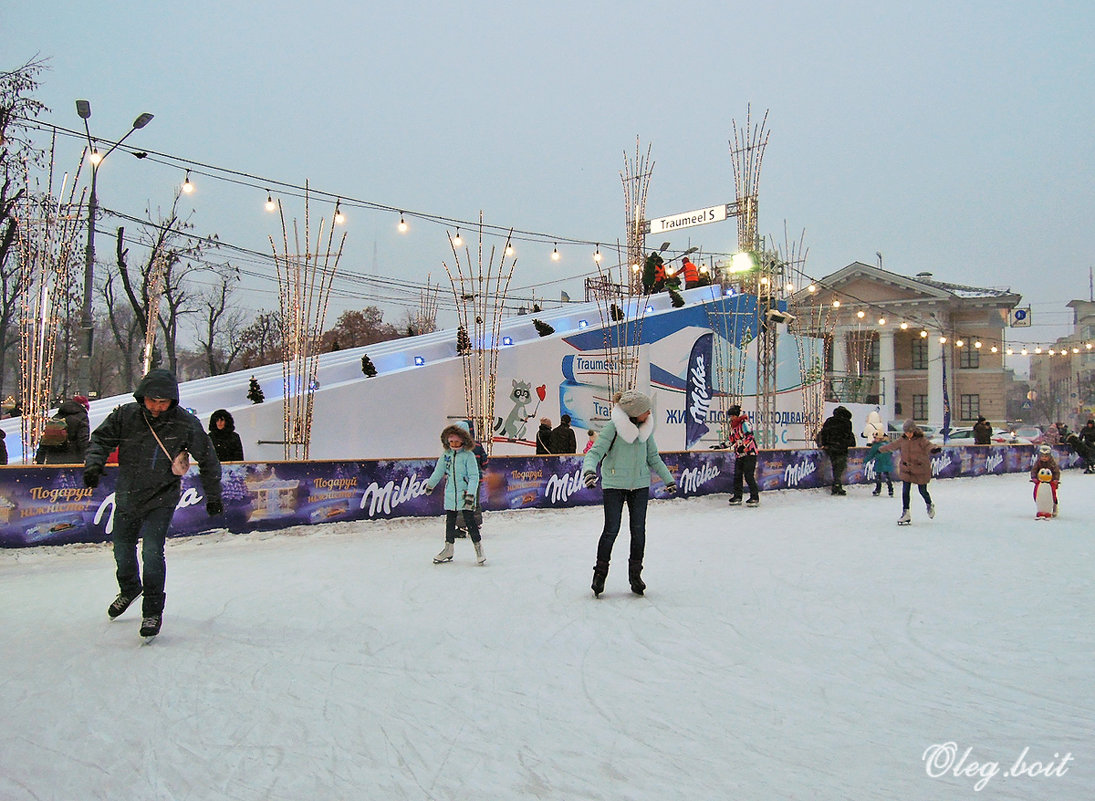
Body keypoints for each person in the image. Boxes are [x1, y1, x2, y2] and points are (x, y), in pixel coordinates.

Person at [83, 369, 223, 638]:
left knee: (151, 552)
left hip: (162, 496)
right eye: (152, 401)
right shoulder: (126, 415)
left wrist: (214, 495)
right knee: (122, 550)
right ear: (142, 397)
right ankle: (130, 588)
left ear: (173, 400)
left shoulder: (185, 423)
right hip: (128, 493)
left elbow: (207, 458)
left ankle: (152, 611)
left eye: (163, 402)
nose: (157, 407)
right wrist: (93, 464)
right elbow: (100, 439)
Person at [582, 390, 677, 597]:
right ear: (635, 412)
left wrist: (668, 479)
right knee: (611, 530)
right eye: (646, 410)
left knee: (638, 531)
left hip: (640, 486)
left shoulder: (645, 430)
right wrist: (589, 471)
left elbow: (653, 458)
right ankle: (599, 575)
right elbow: (594, 452)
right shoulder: (613, 428)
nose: (649, 413)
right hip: (614, 485)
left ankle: (635, 576)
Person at [425, 423, 485, 565]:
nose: (453, 444)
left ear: (463, 440)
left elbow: (474, 476)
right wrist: (430, 484)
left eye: (456, 441)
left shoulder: (468, 456)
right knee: (450, 522)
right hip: (451, 494)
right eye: (451, 441)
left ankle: (479, 549)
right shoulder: (446, 456)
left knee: (470, 521)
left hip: (465, 494)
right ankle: (448, 548)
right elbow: (439, 471)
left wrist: (471, 494)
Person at [880, 419, 942, 525]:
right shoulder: (902, 440)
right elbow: (892, 446)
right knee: (905, 491)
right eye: (906, 432)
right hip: (906, 469)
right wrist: (880, 449)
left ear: (913, 431)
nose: (907, 434)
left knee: (922, 491)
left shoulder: (921, 440)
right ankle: (906, 513)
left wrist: (934, 449)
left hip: (920, 469)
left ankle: (929, 504)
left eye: (909, 432)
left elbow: (929, 446)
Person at [34, 395, 91, 465]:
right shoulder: (82, 417)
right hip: (73, 460)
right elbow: (83, 441)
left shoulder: (56, 417)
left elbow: (45, 440)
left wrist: (39, 460)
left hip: (53, 459)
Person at [725, 403, 760, 506]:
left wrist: (743, 446)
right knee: (737, 475)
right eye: (730, 416)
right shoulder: (734, 427)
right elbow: (731, 440)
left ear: (737, 415)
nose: (731, 418)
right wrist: (720, 446)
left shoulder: (745, 424)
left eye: (732, 416)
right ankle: (737, 496)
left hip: (750, 453)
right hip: (739, 455)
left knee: (748, 475)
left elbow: (750, 437)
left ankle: (754, 497)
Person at [817, 406, 855, 495]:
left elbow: (824, 433)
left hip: (831, 447)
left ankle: (837, 485)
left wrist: (825, 444)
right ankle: (837, 485)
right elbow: (848, 435)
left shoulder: (830, 421)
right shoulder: (847, 422)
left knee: (835, 466)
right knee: (840, 467)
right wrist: (848, 443)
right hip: (842, 447)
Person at [1030, 444, 1061, 516]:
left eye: (1046, 456)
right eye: (1042, 456)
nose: (1044, 458)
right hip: (1040, 482)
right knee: (1036, 493)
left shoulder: (1052, 463)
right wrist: (1034, 478)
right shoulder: (1038, 463)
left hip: (1050, 482)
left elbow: (1056, 471)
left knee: (1052, 494)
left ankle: (1054, 505)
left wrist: (1055, 479)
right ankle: (1040, 506)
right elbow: (1034, 470)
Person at [863, 430, 895, 497]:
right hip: (884, 463)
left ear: (880, 438)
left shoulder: (876, 446)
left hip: (882, 463)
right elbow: (891, 452)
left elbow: (871, 455)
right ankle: (887, 490)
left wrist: (865, 460)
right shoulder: (886, 444)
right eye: (874, 438)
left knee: (882, 477)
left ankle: (883, 490)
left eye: (876, 438)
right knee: (883, 477)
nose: (875, 439)